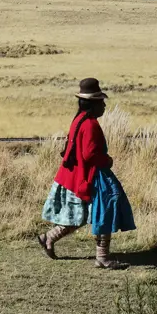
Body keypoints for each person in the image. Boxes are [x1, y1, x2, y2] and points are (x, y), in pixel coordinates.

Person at [36, 77, 136, 269]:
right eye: (101, 101)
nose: (104, 105)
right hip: (87, 176)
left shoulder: (79, 120)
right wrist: (107, 160)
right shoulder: (90, 124)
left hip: (75, 176)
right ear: (93, 104)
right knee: (106, 209)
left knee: (79, 216)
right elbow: (90, 154)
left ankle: (48, 238)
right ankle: (102, 257)